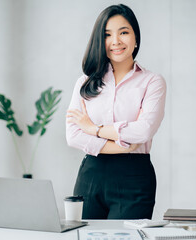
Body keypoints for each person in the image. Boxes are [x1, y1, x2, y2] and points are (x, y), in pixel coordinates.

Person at [66, 4, 166, 219]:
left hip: (134, 178)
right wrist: (122, 146)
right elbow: (73, 135)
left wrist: (94, 129)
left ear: (135, 38)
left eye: (124, 32)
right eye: (107, 35)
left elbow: (143, 132)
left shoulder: (152, 81)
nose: (116, 41)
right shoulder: (85, 83)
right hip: (90, 176)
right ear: (100, 41)